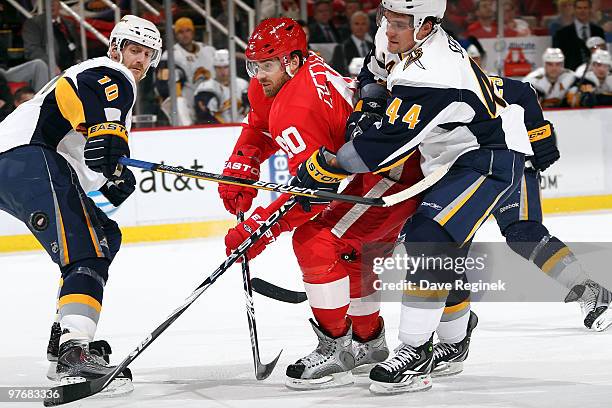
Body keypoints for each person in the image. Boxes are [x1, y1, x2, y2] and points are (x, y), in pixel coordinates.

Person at [291, 0, 533, 394]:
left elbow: (375, 153)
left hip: (487, 159)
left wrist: (324, 165)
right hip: (445, 157)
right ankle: (453, 343)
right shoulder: (398, 35)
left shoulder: (434, 74)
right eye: (387, 20)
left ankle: (416, 352)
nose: (389, 30)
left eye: (401, 23)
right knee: (445, 252)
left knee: (428, 239)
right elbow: (371, 74)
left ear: (427, 26)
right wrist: (367, 106)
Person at [218, 17, 423, 390]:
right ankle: (368, 342)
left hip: (390, 176)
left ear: (293, 61)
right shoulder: (289, 73)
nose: (259, 75)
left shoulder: (300, 106)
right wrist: (243, 160)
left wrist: (262, 228)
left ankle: (337, 347)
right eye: (254, 65)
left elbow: (315, 190)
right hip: (374, 166)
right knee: (353, 253)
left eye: (267, 65)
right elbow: (260, 123)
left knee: (317, 241)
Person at [0, 15, 162, 393]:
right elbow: (92, 92)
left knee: (103, 236)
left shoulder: (113, 89)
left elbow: (90, 148)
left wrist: (113, 175)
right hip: (27, 157)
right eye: (133, 49)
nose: (138, 60)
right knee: (87, 250)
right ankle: (75, 351)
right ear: (115, 48)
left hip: (24, 162)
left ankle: (67, 338)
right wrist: (109, 135)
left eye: (147, 54)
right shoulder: (109, 73)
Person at [155, 17, 216, 126]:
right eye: (180, 32)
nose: (185, 34)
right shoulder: (170, 55)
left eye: (188, 30)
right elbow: (164, 86)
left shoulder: (208, 50)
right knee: (178, 103)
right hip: (185, 103)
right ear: (176, 35)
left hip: (209, 100)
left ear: (193, 32)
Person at [22, 0, 80, 73]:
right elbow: (32, 49)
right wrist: (50, 65)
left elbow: (77, 48)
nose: (51, 4)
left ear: (60, 4)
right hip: (50, 72)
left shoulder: (69, 23)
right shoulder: (33, 23)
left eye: (54, 1)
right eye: (48, 2)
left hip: (72, 70)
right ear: (44, 5)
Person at [193, 49, 249, 123]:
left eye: (225, 67)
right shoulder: (205, 87)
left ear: (231, 67)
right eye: (219, 68)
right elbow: (205, 116)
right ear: (214, 68)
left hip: (241, 125)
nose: (222, 71)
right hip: (216, 129)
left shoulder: (242, 84)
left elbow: (249, 109)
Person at [552, 0, 605, 70]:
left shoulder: (598, 31)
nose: (582, 11)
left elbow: (603, 55)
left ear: (590, 9)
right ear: (574, 10)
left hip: (594, 74)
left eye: (585, 8)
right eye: (579, 8)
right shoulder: (561, 34)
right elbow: (556, 58)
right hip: (570, 76)